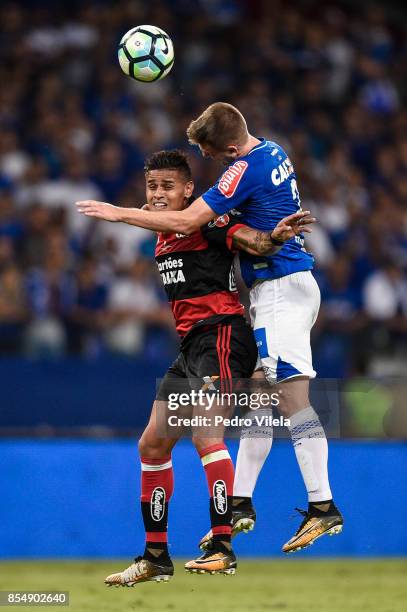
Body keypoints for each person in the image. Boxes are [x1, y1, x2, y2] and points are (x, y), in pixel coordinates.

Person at [77, 102, 343, 554]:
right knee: (259, 395)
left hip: (280, 288)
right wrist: (273, 237)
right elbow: (255, 232)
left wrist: (118, 212)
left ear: (234, 148)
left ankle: (323, 506)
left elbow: (188, 221)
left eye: (218, 155)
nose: (219, 163)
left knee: (291, 398)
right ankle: (239, 502)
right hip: (272, 289)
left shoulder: (241, 171)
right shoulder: (275, 151)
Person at [100, 150, 314, 587]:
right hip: (191, 344)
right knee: (153, 445)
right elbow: (154, 219)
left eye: (167, 186)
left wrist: (271, 237)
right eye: (152, 186)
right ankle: (156, 557)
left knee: (206, 435)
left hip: (222, 334)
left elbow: (249, 241)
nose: (158, 194)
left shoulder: (207, 222)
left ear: (188, 190)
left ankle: (223, 547)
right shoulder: (156, 223)